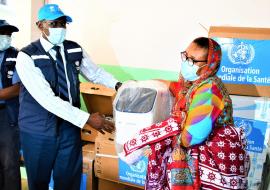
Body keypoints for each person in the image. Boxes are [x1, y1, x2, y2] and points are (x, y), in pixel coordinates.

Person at [16, 4, 121, 190]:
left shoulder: (74, 50)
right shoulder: (26, 56)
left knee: (68, 180)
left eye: (63, 23)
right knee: (39, 182)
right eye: (54, 23)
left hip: (68, 128)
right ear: (40, 25)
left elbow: (96, 74)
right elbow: (46, 98)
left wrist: (118, 85)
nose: (60, 28)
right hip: (38, 129)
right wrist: (87, 118)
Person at [123, 37, 250, 189]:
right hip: (197, 156)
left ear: (209, 64)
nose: (186, 63)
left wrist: (168, 136)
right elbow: (171, 86)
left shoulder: (209, 90)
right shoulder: (191, 86)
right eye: (185, 56)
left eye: (193, 61)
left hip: (213, 160)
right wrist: (137, 85)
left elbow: (192, 136)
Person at [0, 20, 21, 190]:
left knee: (9, 163)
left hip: (8, 114)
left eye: (9, 34)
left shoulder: (17, 56)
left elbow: (18, 88)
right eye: (3, 33)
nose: (6, 37)